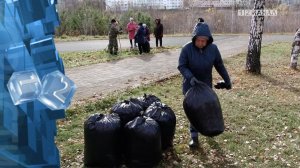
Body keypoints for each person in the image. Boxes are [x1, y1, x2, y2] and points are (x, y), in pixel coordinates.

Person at [178, 23, 232, 148]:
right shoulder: (187, 49)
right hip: (190, 86)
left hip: (206, 85)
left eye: (205, 41)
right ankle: (194, 137)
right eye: (199, 40)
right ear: (194, 39)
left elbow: (219, 65)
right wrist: (190, 77)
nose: (202, 43)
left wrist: (227, 80)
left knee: (207, 108)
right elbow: (182, 66)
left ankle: (207, 129)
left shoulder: (213, 49)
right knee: (195, 110)